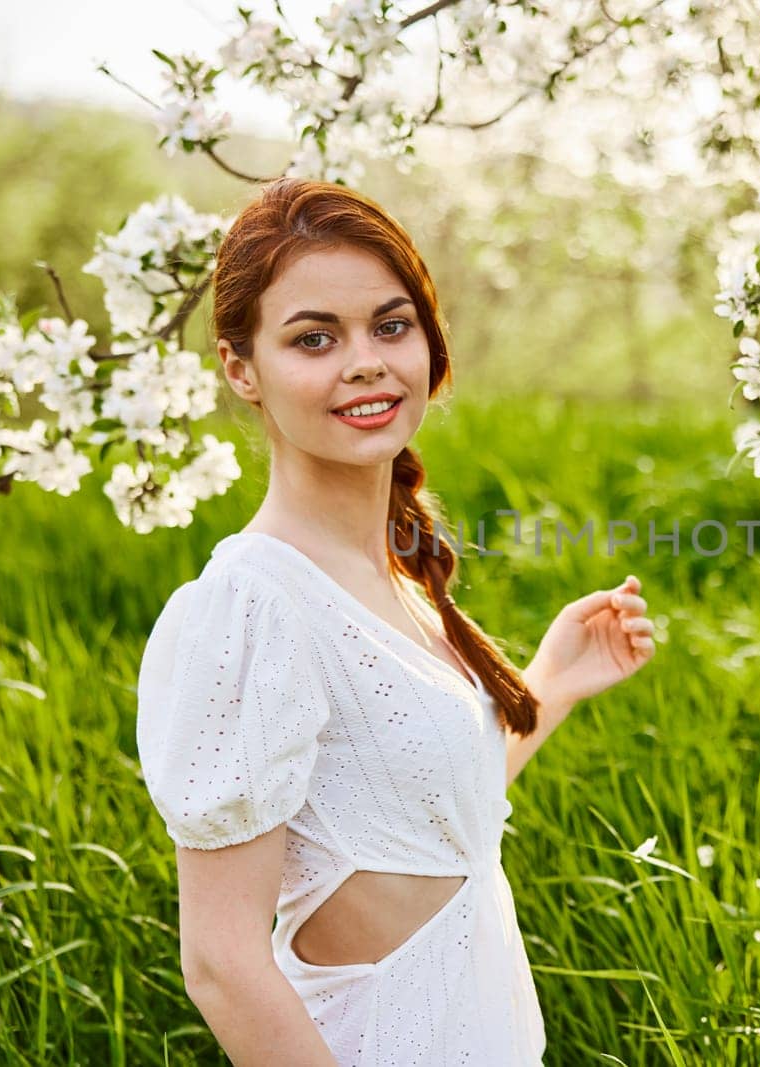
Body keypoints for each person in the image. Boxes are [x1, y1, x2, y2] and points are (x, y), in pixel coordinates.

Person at [135, 177, 657, 1065]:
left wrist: (550, 684)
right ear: (240, 367)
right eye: (313, 338)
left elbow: (416, 823)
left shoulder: (391, 577)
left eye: (390, 324)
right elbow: (220, 962)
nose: (367, 361)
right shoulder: (252, 608)